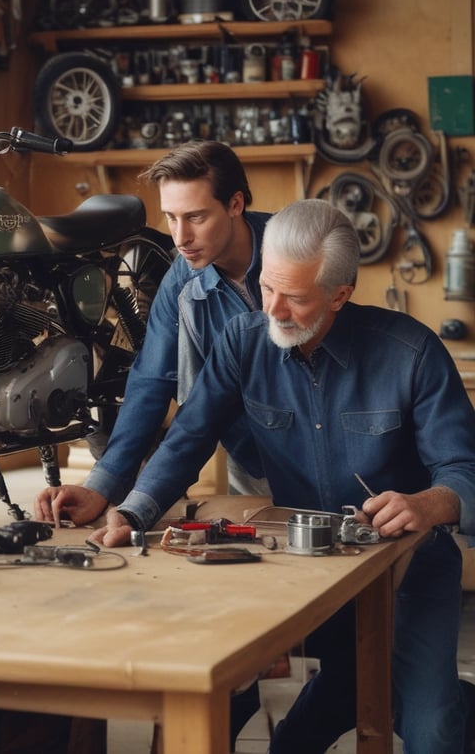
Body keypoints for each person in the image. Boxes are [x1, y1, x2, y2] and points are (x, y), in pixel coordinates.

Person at [85, 198, 475, 753]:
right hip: (311, 570)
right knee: (295, 720)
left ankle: (441, 700)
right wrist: (132, 510)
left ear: (340, 294)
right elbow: (188, 438)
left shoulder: (411, 353)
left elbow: (464, 468)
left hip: (411, 570)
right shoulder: (242, 343)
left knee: (432, 729)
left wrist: (429, 504)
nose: (273, 310)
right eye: (268, 287)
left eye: (295, 297)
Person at [34, 139, 271, 749]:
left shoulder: (295, 251)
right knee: (251, 587)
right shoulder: (182, 285)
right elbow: (150, 386)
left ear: (237, 204)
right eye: (170, 218)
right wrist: (103, 486)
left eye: (195, 216)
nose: (180, 235)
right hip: (251, 458)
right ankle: (238, 699)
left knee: (341, 613)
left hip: (329, 455)